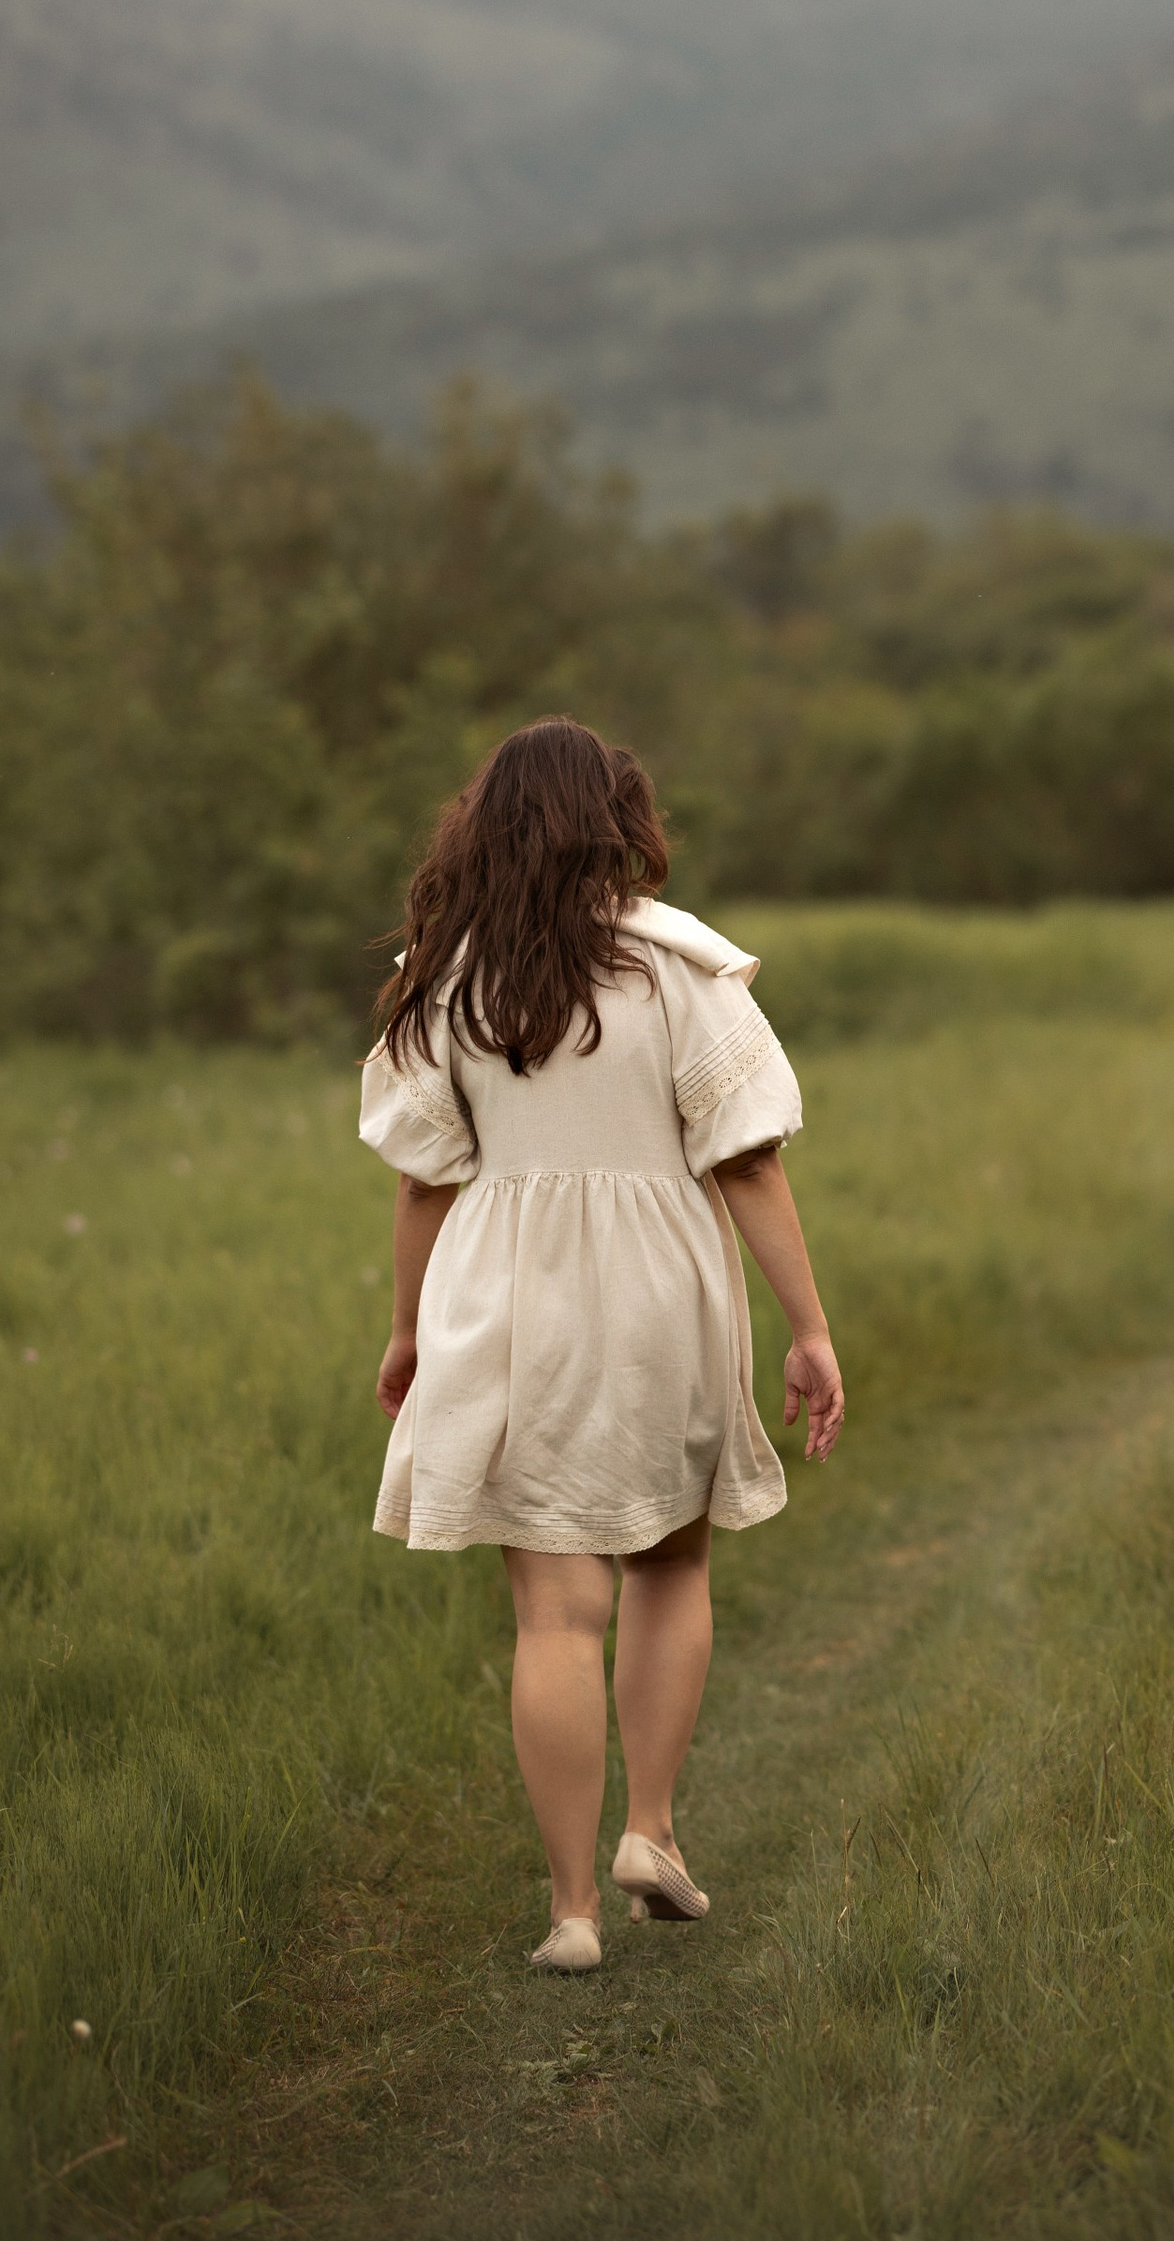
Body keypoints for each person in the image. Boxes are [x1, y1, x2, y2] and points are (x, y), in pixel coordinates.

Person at [361, 718, 844, 1975]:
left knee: (554, 1613)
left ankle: (571, 1911)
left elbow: (423, 1182)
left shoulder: (451, 976)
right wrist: (808, 1327)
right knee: (668, 1564)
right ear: (621, 822)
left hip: (506, 1299)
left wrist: (410, 1330)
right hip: (658, 1292)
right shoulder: (678, 970)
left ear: (488, 826)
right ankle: (652, 1830)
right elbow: (745, 1157)